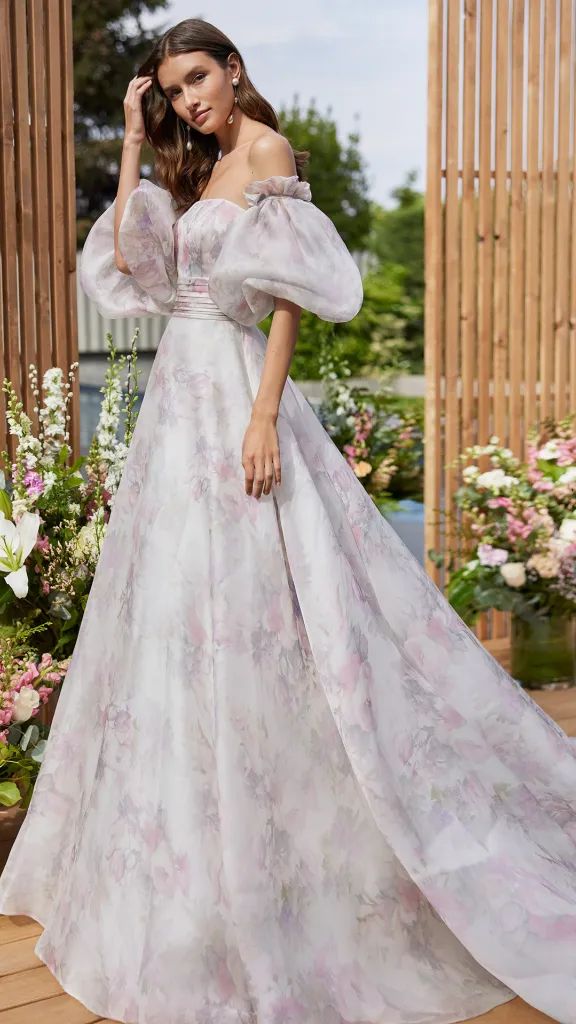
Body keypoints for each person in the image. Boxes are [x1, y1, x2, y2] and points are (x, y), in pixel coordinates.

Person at [1, 17, 576, 1024]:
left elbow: (291, 300)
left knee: (263, 610)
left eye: (199, 79)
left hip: (233, 398)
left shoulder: (263, 150)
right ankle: (183, 873)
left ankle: (291, 855)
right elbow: (138, 276)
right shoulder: (193, 168)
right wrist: (133, 142)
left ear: (233, 70)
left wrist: (266, 413)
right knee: (175, 620)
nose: (192, 100)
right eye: (175, 89)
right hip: (177, 407)